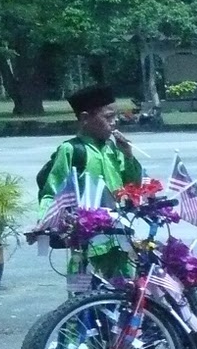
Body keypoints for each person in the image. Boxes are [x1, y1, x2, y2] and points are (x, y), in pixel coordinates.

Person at [39, 84, 144, 279]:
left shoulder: (113, 149)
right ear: (86, 118)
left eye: (115, 116)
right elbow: (52, 190)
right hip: (87, 240)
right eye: (108, 117)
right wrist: (44, 220)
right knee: (86, 295)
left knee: (125, 290)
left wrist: (128, 156)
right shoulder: (71, 150)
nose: (115, 122)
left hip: (118, 235)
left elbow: (133, 185)